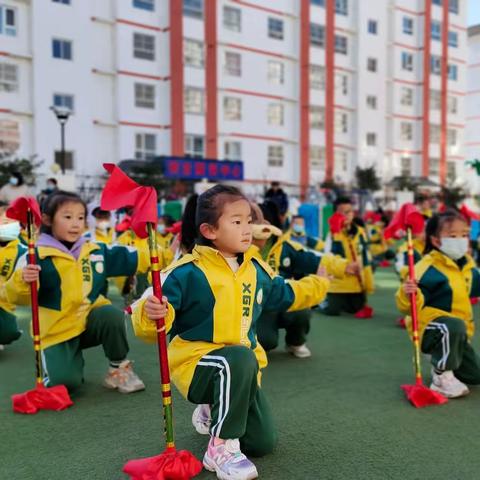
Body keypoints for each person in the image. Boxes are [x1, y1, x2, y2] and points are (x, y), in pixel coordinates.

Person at [131, 185, 331, 480]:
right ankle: (220, 447)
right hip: (197, 366)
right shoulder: (187, 271)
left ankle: (214, 410)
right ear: (210, 230)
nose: (247, 229)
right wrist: (150, 314)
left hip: (243, 370)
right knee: (238, 358)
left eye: (249, 220)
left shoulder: (254, 267)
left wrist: (320, 284)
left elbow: (286, 292)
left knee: (262, 444)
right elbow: (152, 325)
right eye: (237, 222)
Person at [3, 191, 148, 393]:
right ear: (47, 219)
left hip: (89, 320)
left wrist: (165, 254)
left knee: (112, 315)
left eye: (80, 217)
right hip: (56, 331)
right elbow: (15, 297)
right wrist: (23, 280)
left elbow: (133, 257)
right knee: (65, 384)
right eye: (68, 217)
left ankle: (118, 368)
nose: (76, 224)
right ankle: (63, 366)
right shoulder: (34, 256)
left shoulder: (95, 249)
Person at [252, 201, 358, 357]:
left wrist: (342, 266)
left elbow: (314, 259)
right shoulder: (239, 249)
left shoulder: (286, 246)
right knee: (267, 342)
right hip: (258, 306)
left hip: (285, 297)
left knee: (302, 310)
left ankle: (296, 341)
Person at [396, 211, 480, 398]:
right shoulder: (426, 267)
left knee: (474, 376)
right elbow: (407, 307)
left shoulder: (466, 266)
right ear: (435, 241)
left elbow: (476, 285)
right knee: (453, 325)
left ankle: (443, 360)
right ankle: (441, 376)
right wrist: (407, 292)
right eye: (452, 236)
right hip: (432, 329)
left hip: (458, 332)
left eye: (464, 235)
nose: (461, 240)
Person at [320, 196, 375, 318]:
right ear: (336, 214)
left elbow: (366, 257)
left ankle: (345, 302)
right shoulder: (332, 234)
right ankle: (320, 301)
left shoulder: (360, 232)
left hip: (356, 283)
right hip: (338, 283)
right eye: (343, 212)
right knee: (332, 311)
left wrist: (368, 283)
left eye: (350, 211)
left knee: (355, 309)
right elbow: (328, 259)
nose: (347, 214)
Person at [0, 202, 27, 349]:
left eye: (12, 222)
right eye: (4, 222)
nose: (8, 225)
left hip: (4, 303)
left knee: (8, 333)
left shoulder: (23, 251)